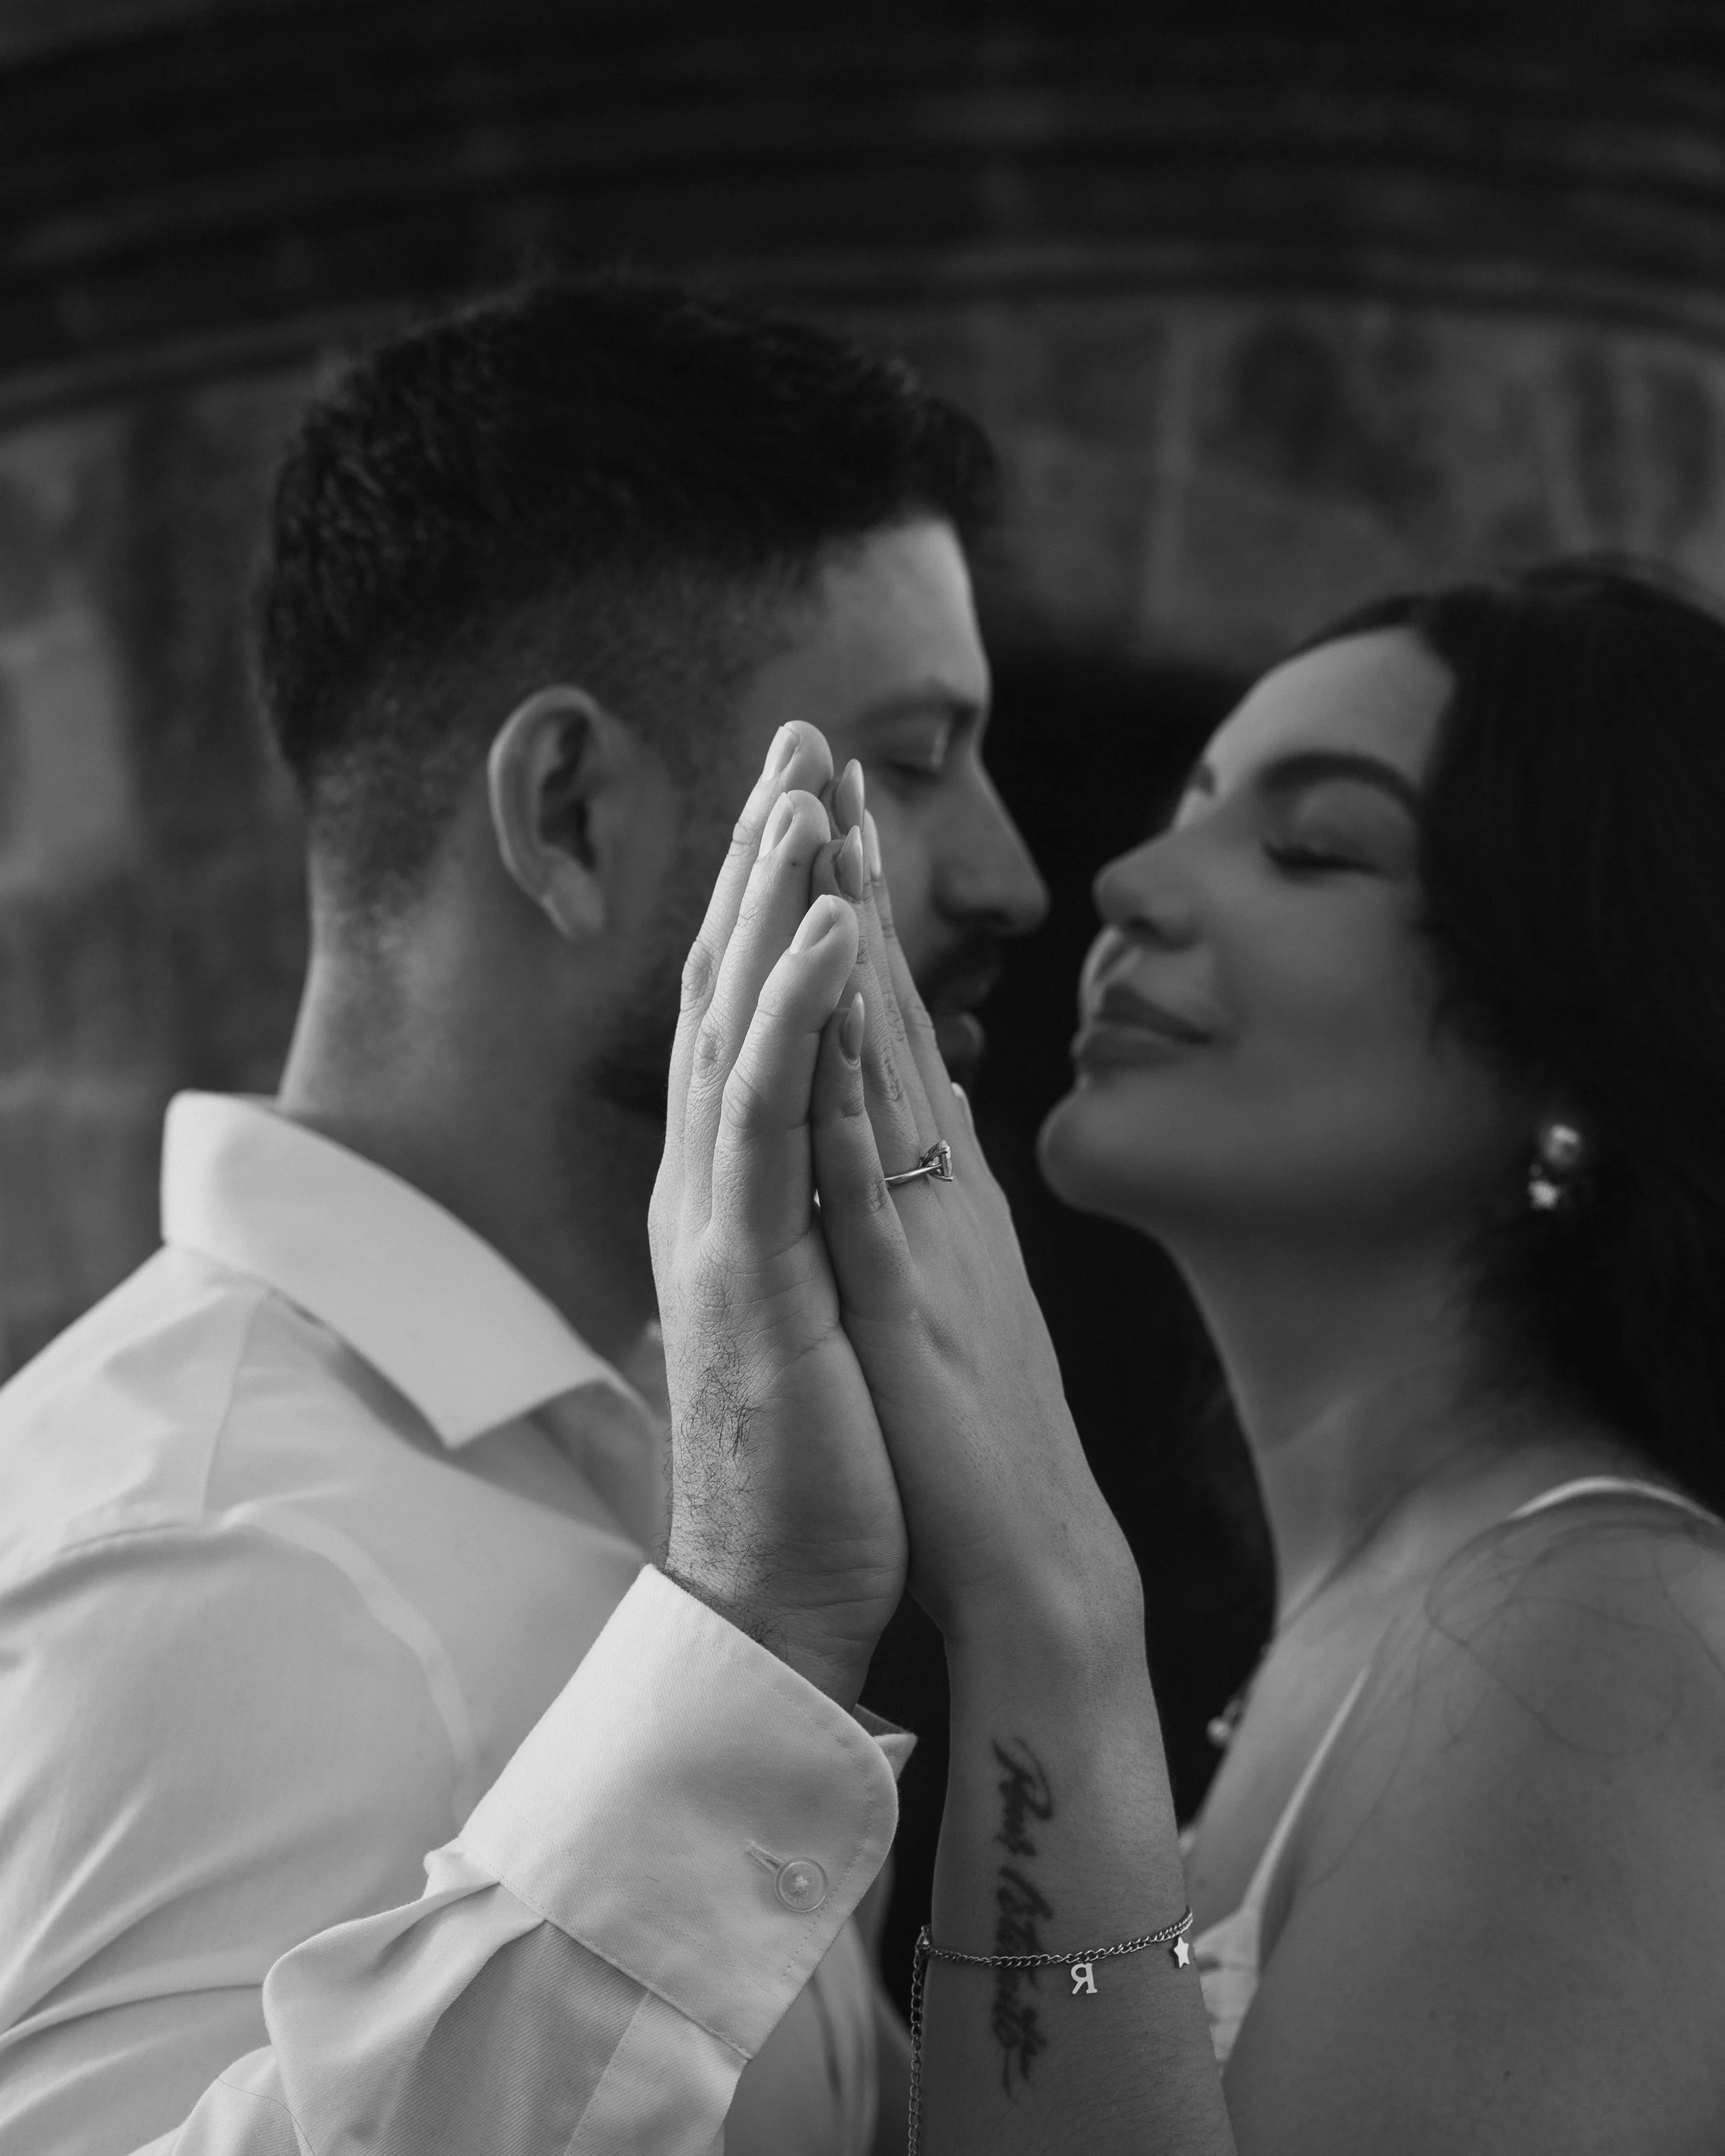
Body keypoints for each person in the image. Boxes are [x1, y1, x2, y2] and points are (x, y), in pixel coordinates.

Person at [0, 276, 1046, 2153]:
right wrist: (750, 1621)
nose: (1011, 872)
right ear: (569, 811)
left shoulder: (621, 1435)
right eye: (903, 757)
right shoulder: (212, 1564)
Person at [649, 559, 1725, 2154]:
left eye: (1308, 848)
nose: (1132, 878)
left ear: (1573, 1027)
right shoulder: (1367, 1622)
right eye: (1188, 805)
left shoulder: (1590, 1631)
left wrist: (1036, 1597)